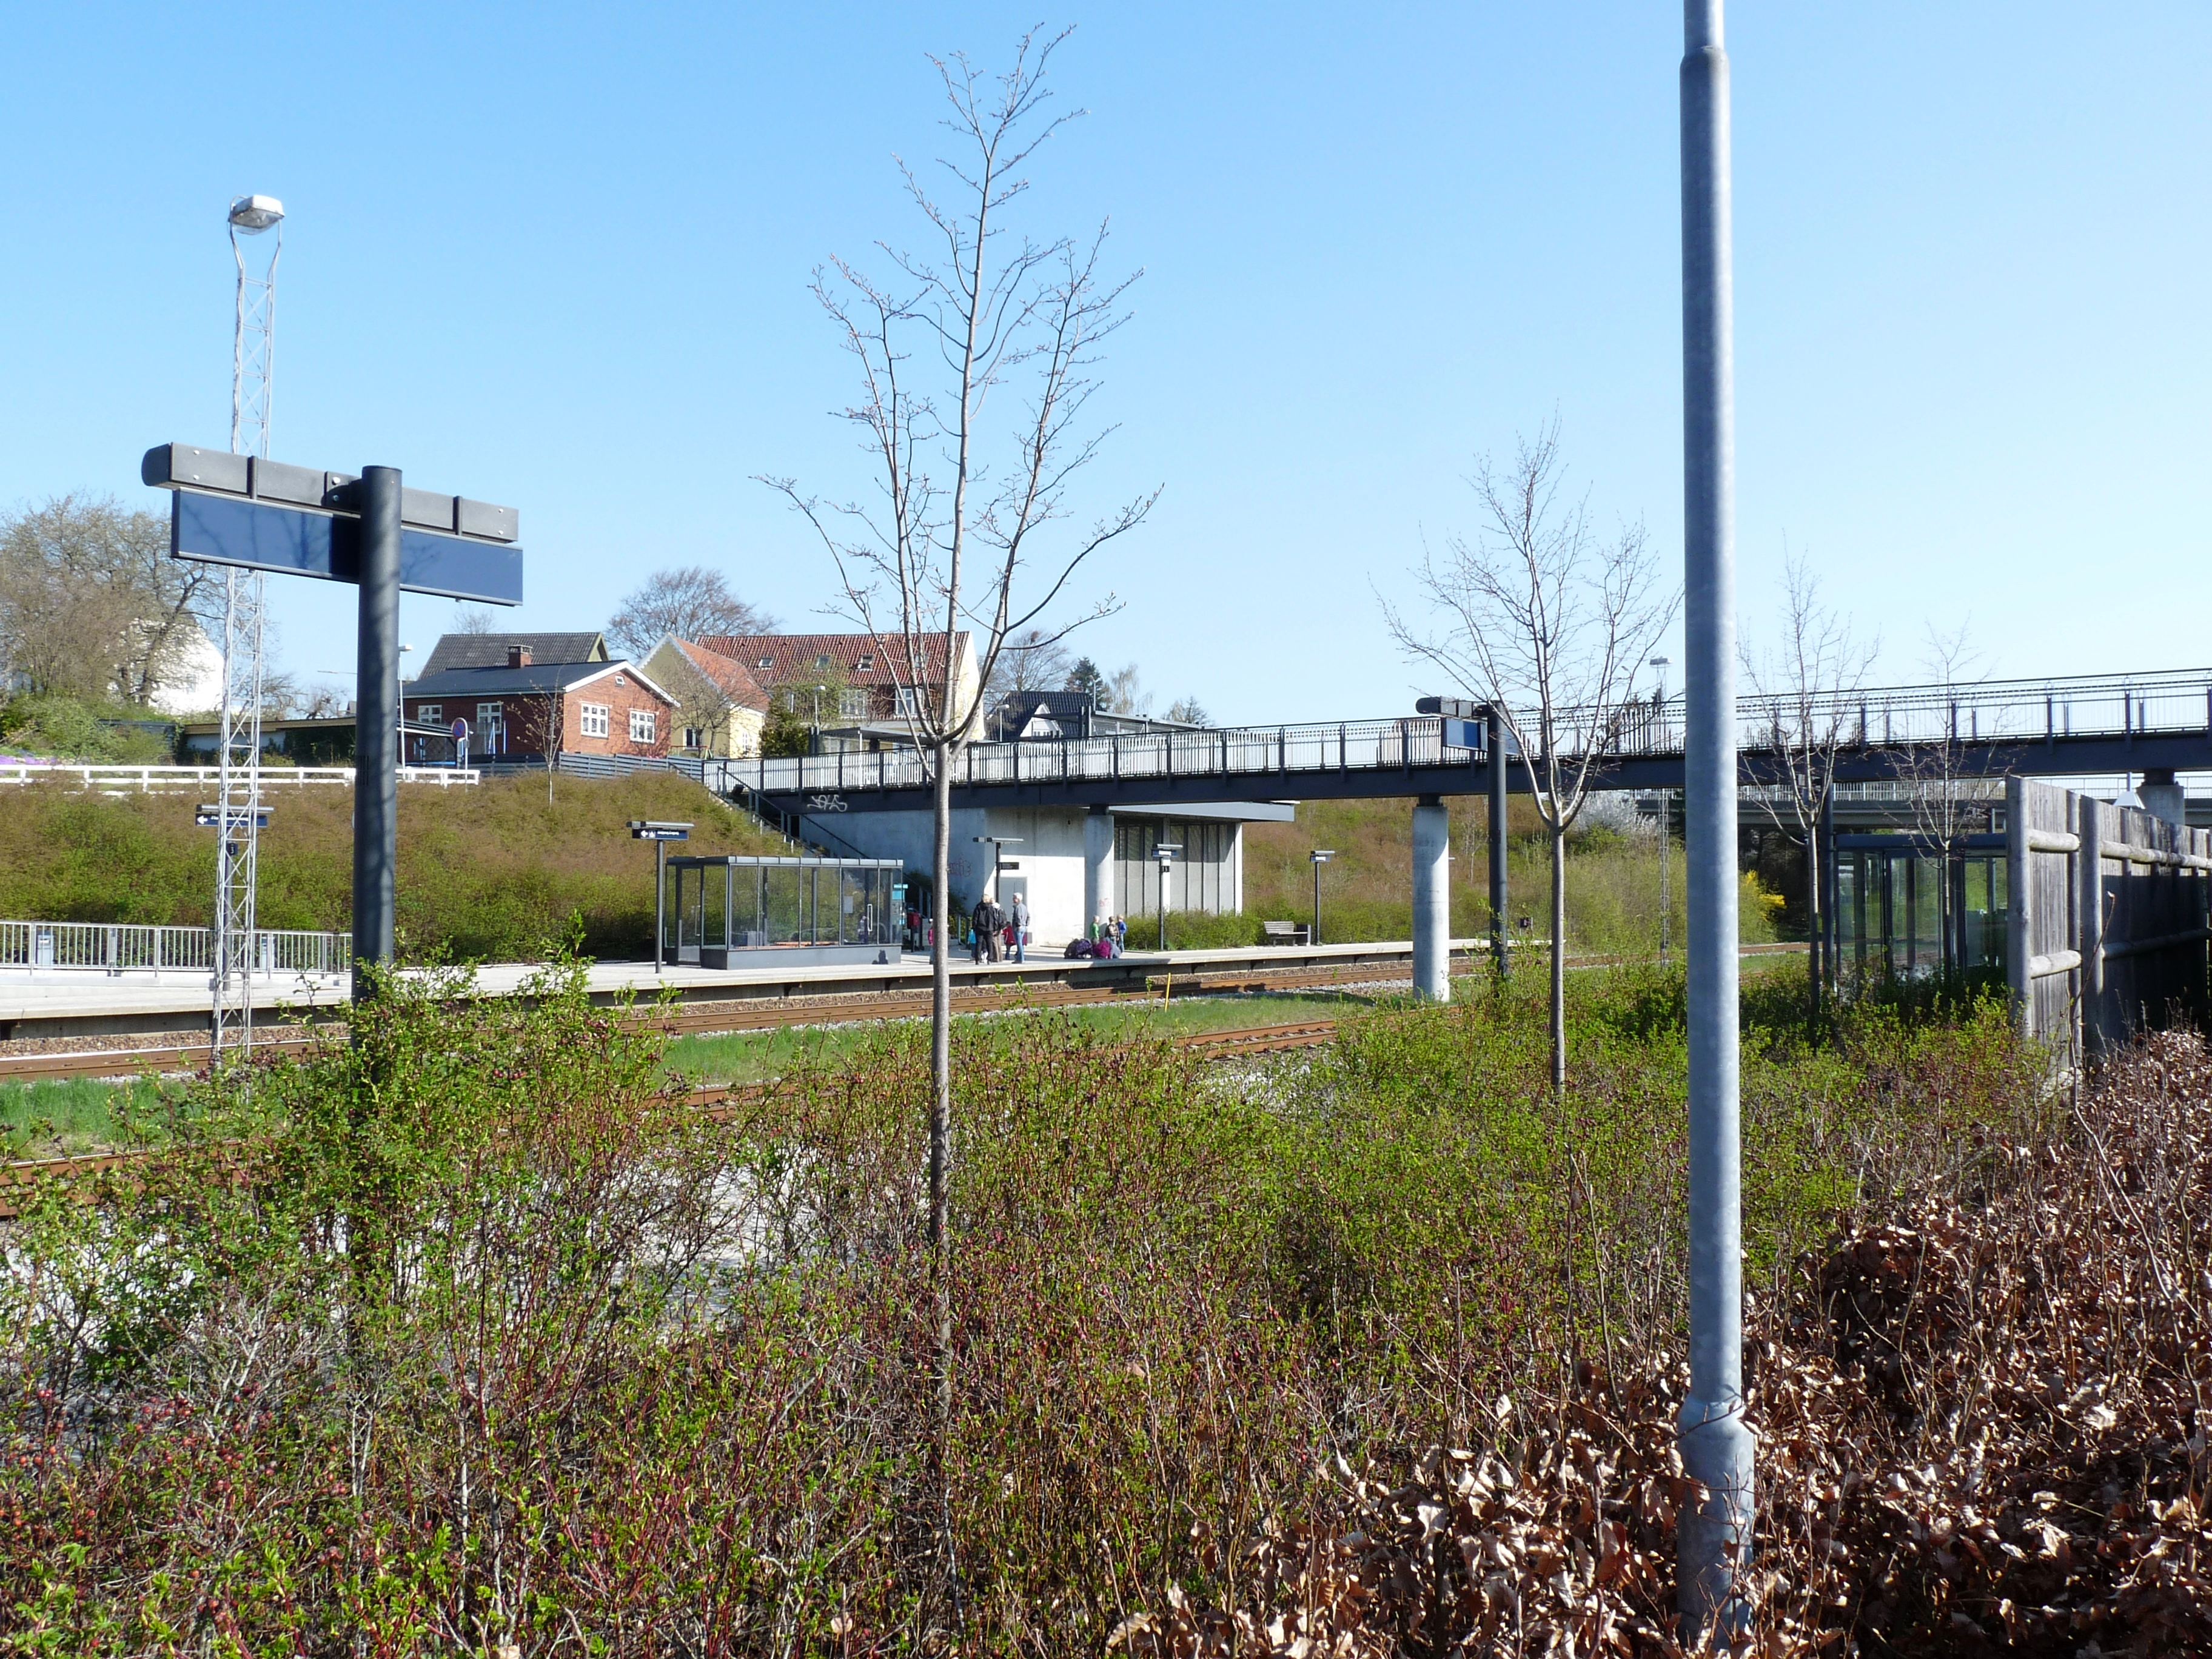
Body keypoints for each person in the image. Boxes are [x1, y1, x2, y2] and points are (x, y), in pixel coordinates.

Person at [1010, 893, 1030, 963]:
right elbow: (1028, 916)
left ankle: (1021, 959)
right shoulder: (1024, 907)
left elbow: (1018, 917)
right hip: (1023, 927)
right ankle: (1019, 958)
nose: (1013, 899)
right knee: (1020, 943)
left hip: (1018, 927)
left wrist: (1019, 925)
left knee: (1019, 944)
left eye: (1014, 898)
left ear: (1017, 899)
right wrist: (1026, 924)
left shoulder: (1018, 907)